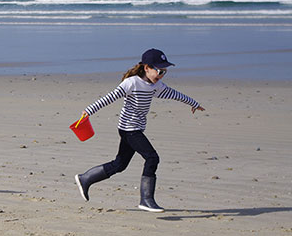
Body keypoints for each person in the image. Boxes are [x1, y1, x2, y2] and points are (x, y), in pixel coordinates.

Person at [74, 48, 205, 212]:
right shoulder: (132, 83)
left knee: (120, 164)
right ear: (147, 68)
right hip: (129, 129)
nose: (161, 75)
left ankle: (85, 178)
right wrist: (89, 111)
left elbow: (173, 94)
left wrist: (192, 103)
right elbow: (110, 97)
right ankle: (146, 199)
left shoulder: (156, 85)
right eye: (159, 70)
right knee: (152, 158)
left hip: (136, 129)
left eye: (164, 71)